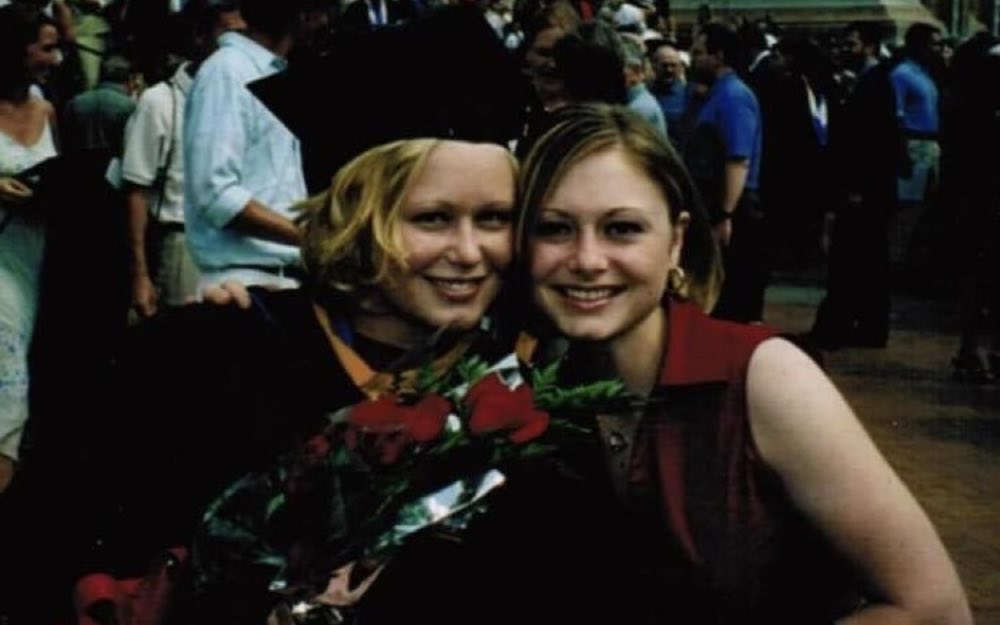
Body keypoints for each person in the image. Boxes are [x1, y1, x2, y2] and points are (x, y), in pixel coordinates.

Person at [512, 102, 972, 624]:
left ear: (676, 241)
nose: (587, 260)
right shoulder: (536, 389)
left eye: (622, 229)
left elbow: (935, 609)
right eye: (554, 228)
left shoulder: (762, 377)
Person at [80, 136, 517, 625]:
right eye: (431, 218)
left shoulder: (514, 393)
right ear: (355, 219)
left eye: (494, 219)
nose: (469, 252)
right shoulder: (207, 350)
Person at [0, 2, 61, 496]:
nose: (56, 59)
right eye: (46, 48)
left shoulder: (48, 109)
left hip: (37, 256)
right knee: (10, 383)